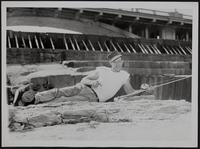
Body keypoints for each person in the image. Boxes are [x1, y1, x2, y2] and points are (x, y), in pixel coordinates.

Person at [14, 51, 153, 106]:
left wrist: (144, 90)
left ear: (122, 62)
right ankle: (32, 99)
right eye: (115, 61)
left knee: (64, 101)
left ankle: (35, 104)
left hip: (93, 98)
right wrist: (93, 81)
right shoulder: (102, 70)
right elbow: (84, 80)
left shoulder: (125, 75)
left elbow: (130, 92)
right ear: (110, 63)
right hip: (83, 88)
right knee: (58, 92)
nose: (118, 63)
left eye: (120, 60)